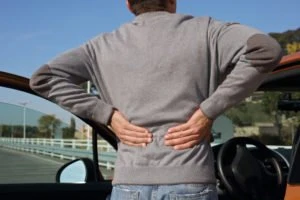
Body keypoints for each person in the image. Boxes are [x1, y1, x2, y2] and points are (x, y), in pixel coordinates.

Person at [30, 0, 283, 199]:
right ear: (173, 1)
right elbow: (266, 49)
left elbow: (42, 78)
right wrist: (207, 112)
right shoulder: (208, 31)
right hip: (191, 182)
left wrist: (108, 115)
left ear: (129, 4)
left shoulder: (101, 46)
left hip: (130, 186)